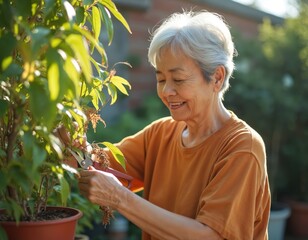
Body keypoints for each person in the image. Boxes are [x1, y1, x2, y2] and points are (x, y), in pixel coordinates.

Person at [77, 10, 271, 240]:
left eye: (178, 79)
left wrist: (121, 199)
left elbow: (210, 236)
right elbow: (93, 163)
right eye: (161, 79)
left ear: (217, 78)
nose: (166, 91)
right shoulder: (161, 134)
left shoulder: (242, 147)